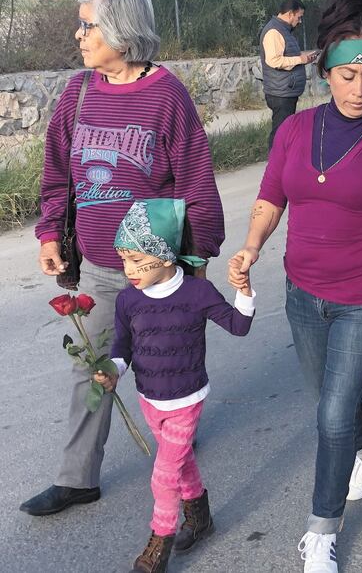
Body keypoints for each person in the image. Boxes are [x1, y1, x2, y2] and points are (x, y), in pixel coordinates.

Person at [228, 0, 362, 573]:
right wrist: (250, 247)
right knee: (329, 402)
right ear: (326, 71)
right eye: (347, 74)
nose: (359, 87)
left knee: (331, 414)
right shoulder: (294, 132)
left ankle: (321, 529)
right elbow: (270, 198)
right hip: (302, 295)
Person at [22, 0, 224, 518]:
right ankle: (77, 477)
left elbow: (196, 182)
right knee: (91, 369)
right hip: (100, 271)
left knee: (165, 365)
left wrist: (197, 261)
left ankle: (176, 439)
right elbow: (57, 175)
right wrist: (49, 234)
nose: (79, 35)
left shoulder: (167, 95)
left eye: (87, 25)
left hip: (160, 273)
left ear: (120, 31)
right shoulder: (79, 93)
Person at [93, 199, 254, 573]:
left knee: (164, 474)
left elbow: (239, 326)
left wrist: (244, 290)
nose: (127, 269)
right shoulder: (128, 299)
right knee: (180, 465)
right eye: (123, 259)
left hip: (186, 399)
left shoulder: (197, 294)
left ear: (164, 256)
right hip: (150, 398)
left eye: (135, 259)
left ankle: (158, 542)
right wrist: (113, 369)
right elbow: (123, 346)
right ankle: (201, 520)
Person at [260, 0, 318, 149]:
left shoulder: (284, 31)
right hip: (280, 93)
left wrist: (304, 59)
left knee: (286, 131)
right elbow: (274, 61)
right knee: (280, 131)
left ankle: (282, 161)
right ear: (290, 14)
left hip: (286, 91)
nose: (300, 21)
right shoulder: (274, 32)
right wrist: (300, 59)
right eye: (299, 17)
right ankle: (275, 163)